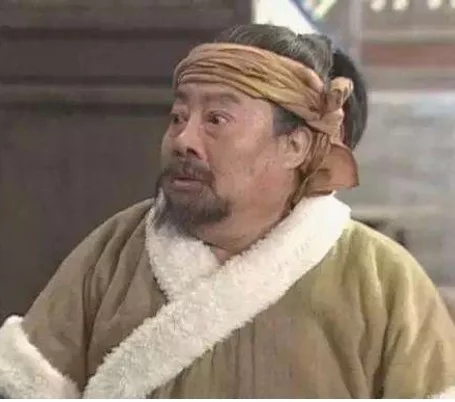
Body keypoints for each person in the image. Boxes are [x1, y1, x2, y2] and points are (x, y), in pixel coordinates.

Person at [0, 24, 453, 399]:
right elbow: (24, 386)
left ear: (295, 145)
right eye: (178, 117)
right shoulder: (111, 253)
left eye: (216, 120)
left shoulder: (382, 281)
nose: (183, 140)